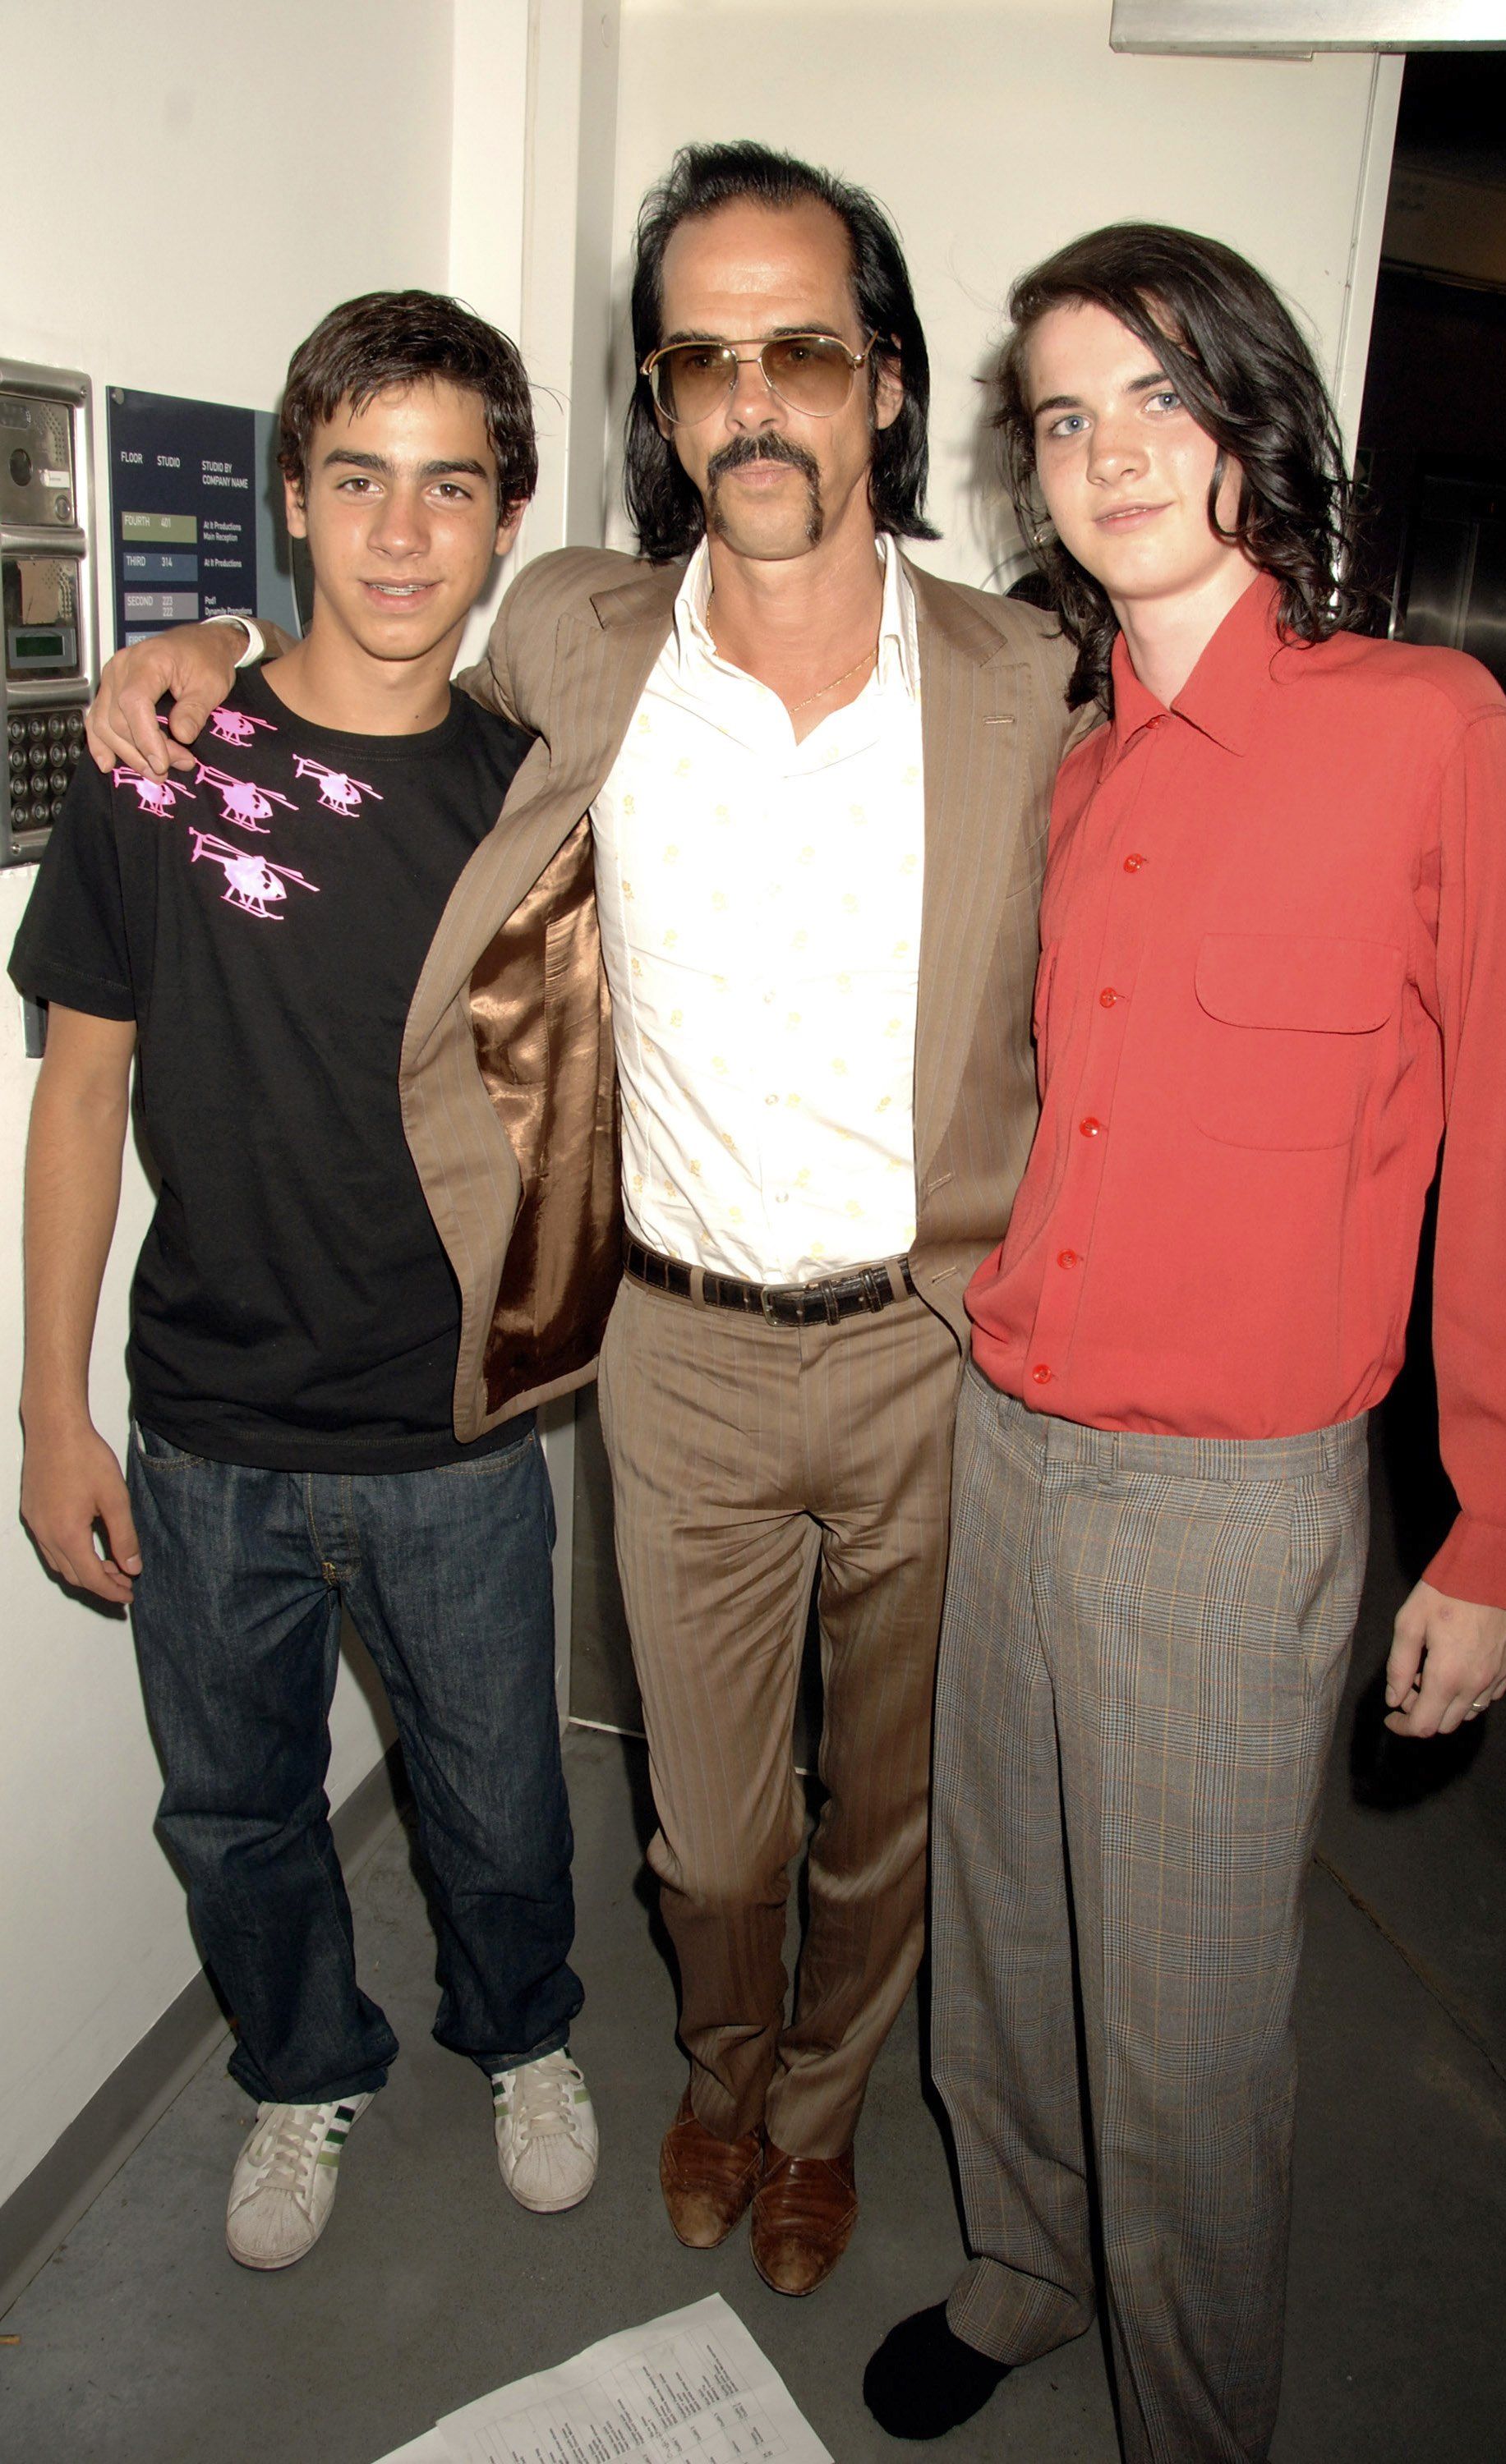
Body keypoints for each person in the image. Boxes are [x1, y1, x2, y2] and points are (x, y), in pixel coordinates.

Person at [83, 142, 1077, 2296]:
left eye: (797, 349)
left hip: (930, 1343)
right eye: (700, 358)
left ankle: (811, 2120)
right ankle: (716, 2071)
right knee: (707, 1833)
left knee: (877, 1811)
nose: (750, 402)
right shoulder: (579, 633)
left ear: (883, 383)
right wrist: (208, 623)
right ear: (655, 397)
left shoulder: (1020, 681)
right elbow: (383, 605)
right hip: (682, 1354)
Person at [864, 224, 1506, 2457]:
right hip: (1008, 1436)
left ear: (1251, 422)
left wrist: (1494, 1530)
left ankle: (1193, 2424)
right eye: (1062, 416)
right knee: (995, 1943)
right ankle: (1021, 2264)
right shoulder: (1072, 772)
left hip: (1226, 1496)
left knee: (1183, 2040)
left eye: (1150, 399)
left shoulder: (1423, 730)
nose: (1102, 453)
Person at [14, 292, 606, 2273]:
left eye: (450, 485)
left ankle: (521, 2033)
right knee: (237, 1812)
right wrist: (50, 1411)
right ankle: (297, 2069)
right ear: (291, 497)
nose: (401, 531)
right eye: (358, 477)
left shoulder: (535, 806)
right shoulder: (162, 763)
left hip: (450, 1436)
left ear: (504, 518)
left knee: (501, 1810)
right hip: (205, 1435)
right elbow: (83, 1091)